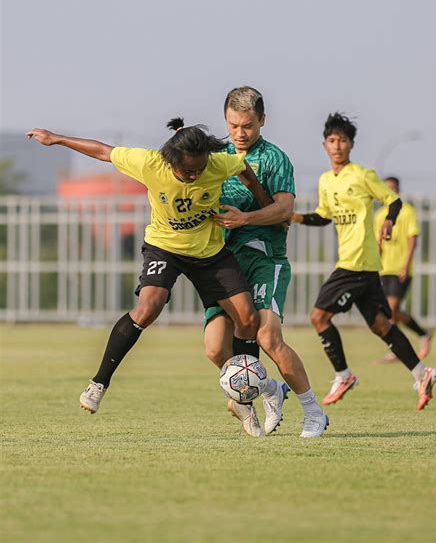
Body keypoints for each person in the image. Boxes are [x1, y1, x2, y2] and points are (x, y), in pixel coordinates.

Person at [27, 119, 275, 417]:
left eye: (199, 169)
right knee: (148, 308)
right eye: (188, 171)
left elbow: (242, 168)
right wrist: (57, 138)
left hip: (209, 252)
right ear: (172, 161)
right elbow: (104, 152)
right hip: (165, 248)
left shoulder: (218, 164)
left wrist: (264, 203)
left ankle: (243, 401)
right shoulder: (150, 163)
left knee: (247, 318)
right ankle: (98, 383)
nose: (195, 175)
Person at [205, 87, 329, 438]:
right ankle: (272, 389)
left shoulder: (274, 158)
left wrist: (243, 219)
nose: (240, 133)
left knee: (268, 337)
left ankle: (313, 412)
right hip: (222, 261)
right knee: (216, 348)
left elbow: (285, 209)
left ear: (262, 120)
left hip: (264, 256)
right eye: (233, 125)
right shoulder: (215, 155)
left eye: (247, 125)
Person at [292, 113, 436, 410]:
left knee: (319, 317)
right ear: (324, 145)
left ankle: (343, 375)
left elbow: (393, 201)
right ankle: (423, 373)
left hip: (356, 263)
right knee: (382, 326)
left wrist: (390, 223)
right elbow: (323, 217)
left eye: (343, 140)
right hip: (362, 266)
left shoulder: (362, 175)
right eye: (332, 141)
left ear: (351, 145)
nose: (337, 146)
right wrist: (293, 217)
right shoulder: (325, 181)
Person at [374, 176, 433, 363]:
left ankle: (396, 350)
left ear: (398, 190)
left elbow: (412, 238)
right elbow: (378, 243)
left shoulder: (407, 211)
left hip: (400, 268)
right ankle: (423, 334)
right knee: (391, 312)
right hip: (384, 269)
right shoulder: (379, 215)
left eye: (393, 189)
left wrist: (406, 265)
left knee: (391, 309)